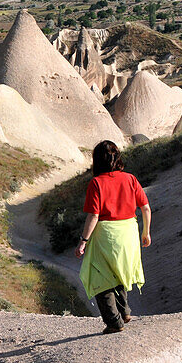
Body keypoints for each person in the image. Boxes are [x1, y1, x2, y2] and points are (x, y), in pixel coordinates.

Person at [74, 140, 151, 333]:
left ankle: (114, 321)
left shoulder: (96, 183)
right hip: (129, 232)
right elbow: (146, 208)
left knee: (100, 276)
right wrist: (146, 232)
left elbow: (94, 215)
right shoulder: (130, 179)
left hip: (106, 234)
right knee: (119, 271)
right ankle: (124, 311)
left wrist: (83, 241)